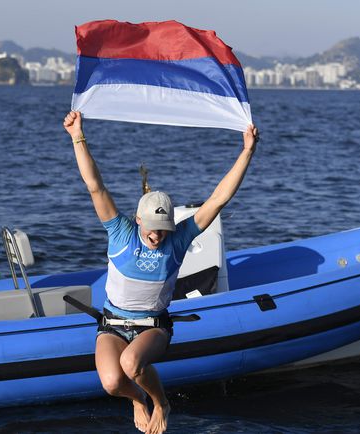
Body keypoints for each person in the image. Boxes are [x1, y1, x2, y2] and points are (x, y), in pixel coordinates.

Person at [63, 110, 258, 434]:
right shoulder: (120, 232)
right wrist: (77, 137)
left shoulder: (179, 239)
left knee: (130, 364)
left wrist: (247, 150)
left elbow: (218, 199)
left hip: (153, 326)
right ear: (138, 220)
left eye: (163, 229)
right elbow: (95, 186)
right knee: (112, 383)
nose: (157, 235)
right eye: (152, 229)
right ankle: (139, 400)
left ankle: (162, 403)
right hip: (112, 324)